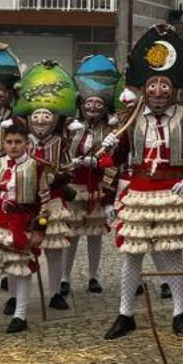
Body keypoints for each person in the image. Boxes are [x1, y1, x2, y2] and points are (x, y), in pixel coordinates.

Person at [101, 24, 183, 339]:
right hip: (138, 192)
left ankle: (179, 312)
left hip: (172, 191)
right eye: (152, 84)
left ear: (174, 88)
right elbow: (115, 160)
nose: (158, 91)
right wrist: (107, 193)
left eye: (164, 84)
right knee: (132, 255)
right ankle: (124, 314)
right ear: (143, 87)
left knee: (172, 254)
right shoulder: (130, 116)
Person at [0, 118, 48, 335]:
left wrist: (40, 230)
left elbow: (44, 200)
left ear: (27, 144)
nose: (13, 146)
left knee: (21, 270)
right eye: (9, 142)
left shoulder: (37, 166)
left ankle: (20, 316)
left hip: (22, 223)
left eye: (18, 142)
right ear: (3, 143)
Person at [14, 60, 78, 313]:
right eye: (36, 116)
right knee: (22, 249)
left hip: (52, 202)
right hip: (24, 202)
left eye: (46, 116)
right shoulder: (20, 141)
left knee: (53, 250)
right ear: (28, 118)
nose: (41, 120)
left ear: (54, 119)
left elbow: (69, 170)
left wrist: (55, 178)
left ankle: (54, 292)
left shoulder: (60, 143)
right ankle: (18, 297)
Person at [67, 54, 120, 297]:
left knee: (94, 235)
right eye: (89, 104)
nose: (93, 108)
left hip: (97, 186)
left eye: (98, 105)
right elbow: (60, 155)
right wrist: (73, 162)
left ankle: (93, 276)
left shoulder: (111, 129)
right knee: (71, 233)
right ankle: (64, 277)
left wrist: (98, 163)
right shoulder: (70, 127)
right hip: (74, 186)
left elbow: (114, 161)